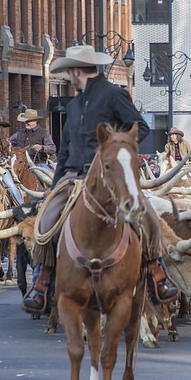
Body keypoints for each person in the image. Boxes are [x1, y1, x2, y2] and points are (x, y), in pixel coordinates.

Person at [24, 45, 178, 314]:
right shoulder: (73, 105)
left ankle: (157, 273)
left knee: (148, 218)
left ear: (75, 71)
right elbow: (65, 149)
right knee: (45, 221)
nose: (70, 78)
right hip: (73, 176)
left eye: (69, 73)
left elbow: (139, 127)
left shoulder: (113, 94)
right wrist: (55, 185)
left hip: (112, 176)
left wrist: (116, 149)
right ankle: (42, 281)